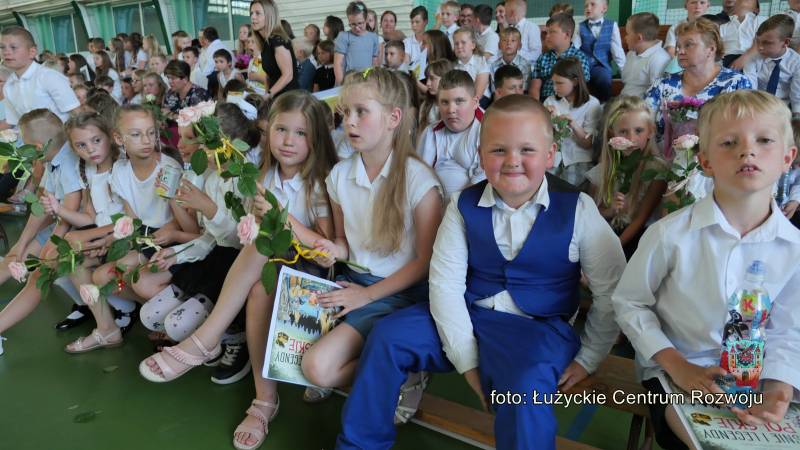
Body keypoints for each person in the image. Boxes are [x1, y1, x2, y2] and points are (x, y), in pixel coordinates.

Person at [335, 94, 626, 450]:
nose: (512, 162)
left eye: (527, 150)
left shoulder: (578, 209)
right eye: (498, 150)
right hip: (469, 315)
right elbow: (445, 286)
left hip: (540, 329)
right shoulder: (463, 204)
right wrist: (469, 365)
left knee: (525, 390)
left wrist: (588, 357)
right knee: (388, 336)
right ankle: (359, 444)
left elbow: (612, 291)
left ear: (550, 155)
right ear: (480, 154)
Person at [613, 90, 800, 450]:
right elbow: (630, 303)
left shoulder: (794, 248)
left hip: (757, 377)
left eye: (764, 141)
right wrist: (679, 367)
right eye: (729, 142)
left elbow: (789, 328)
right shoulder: (670, 235)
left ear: (788, 158)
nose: (748, 151)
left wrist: (779, 387)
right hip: (675, 369)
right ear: (705, 161)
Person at [300, 68, 443, 403]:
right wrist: (331, 250)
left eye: (361, 112)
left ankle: (406, 366)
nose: (349, 121)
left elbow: (425, 263)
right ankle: (398, 363)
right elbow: (343, 243)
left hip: (399, 292)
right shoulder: (339, 175)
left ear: (393, 117)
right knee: (295, 350)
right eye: (345, 112)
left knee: (317, 368)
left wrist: (366, 297)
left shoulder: (420, 181)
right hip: (352, 282)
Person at [0, 110, 83, 349]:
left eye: (24, 144)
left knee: (37, 278)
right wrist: (21, 243)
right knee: (15, 257)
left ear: (37, 146)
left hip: (74, 230)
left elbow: (68, 218)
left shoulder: (68, 165)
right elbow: (43, 207)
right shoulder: (51, 159)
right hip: (60, 226)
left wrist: (45, 250)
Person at [645, 18, 752, 154]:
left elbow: (745, 131)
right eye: (679, 47)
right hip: (664, 165)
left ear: (711, 49)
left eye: (688, 45)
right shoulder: (662, 85)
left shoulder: (737, 84)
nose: (680, 51)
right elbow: (643, 125)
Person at [586, 96, 668, 259]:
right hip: (607, 231)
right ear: (612, 133)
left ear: (650, 131)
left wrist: (611, 250)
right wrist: (611, 211)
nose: (631, 138)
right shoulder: (604, 169)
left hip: (639, 237)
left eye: (639, 131)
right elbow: (591, 214)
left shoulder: (656, 169)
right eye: (623, 131)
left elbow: (640, 219)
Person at [417, 70, 483, 199]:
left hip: (470, 207)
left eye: (459, 101)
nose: (451, 110)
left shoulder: (487, 131)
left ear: (475, 102)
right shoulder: (430, 132)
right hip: (431, 205)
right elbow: (418, 176)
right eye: (445, 102)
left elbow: (484, 183)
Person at [1, 26, 79, 125]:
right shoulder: (8, 86)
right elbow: (15, 123)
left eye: (13, 47)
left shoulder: (49, 77)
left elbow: (77, 113)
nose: (6, 52)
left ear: (32, 52)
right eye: (2, 47)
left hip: (61, 139)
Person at [543, 58, 601, 187]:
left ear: (575, 81)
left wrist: (573, 124)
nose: (554, 88)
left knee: (567, 189)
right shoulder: (550, 101)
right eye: (553, 83)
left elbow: (588, 144)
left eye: (559, 83)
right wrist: (545, 119)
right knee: (544, 184)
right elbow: (542, 138)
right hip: (554, 157)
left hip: (579, 158)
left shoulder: (592, 104)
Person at [744, 15, 800, 116]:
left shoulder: (796, 62)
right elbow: (749, 84)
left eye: (767, 43)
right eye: (758, 41)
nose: (760, 47)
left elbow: (797, 96)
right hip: (756, 103)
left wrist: (796, 118)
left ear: (786, 42)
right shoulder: (753, 57)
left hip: (782, 107)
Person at [574, 0, 625, 102]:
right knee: (575, 81)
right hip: (583, 66)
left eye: (592, 4)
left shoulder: (612, 25)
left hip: (602, 66)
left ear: (604, 8)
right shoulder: (579, 26)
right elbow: (574, 50)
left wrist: (625, 73)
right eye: (586, 6)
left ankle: (604, 105)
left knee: (604, 79)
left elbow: (617, 51)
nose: (588, 8)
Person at [530, 14, 590, 101]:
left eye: (552, 32)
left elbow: (582, 87)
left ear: (567, 34)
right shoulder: (543, 58)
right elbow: (534, 88)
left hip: (570, 102)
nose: (547, 36)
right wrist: (537, 108)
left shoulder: (579, 58)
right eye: (547, 33)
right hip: (546, 102)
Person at [251, 0, 298, 98]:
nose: (253, 17)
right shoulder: (266, 42)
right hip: (276, 97)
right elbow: (269, 76)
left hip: (288, 98)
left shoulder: (277, 40)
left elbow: (288, 75)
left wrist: (268, 94)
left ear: (269, 16)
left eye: (257, 13)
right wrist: (266, 94)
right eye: (251, 13)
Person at [621, 12, 671, 98]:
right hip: (623, 101)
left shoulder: (659, 59)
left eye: (628, 33)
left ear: (639, 38)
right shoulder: (631, 53)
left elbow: (657, 95)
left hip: (639, 108)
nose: (625, 37)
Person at [334, 1, 380, 85]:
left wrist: (375, 81)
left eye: (360, 23)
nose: (357, 28)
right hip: (348, 81)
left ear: (366, 20)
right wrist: (341, 85)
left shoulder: (373, 37)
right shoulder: (344, 36)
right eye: (353, 24)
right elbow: (338, 63)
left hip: (367, 81)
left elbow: (375, 62)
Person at [503, 0, 543, 65]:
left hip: (525, 69)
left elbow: (536, 54)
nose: (504, 15)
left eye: (505, 12)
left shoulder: (531, 27)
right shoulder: (509, 29)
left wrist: (515, 55)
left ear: (512, 13)